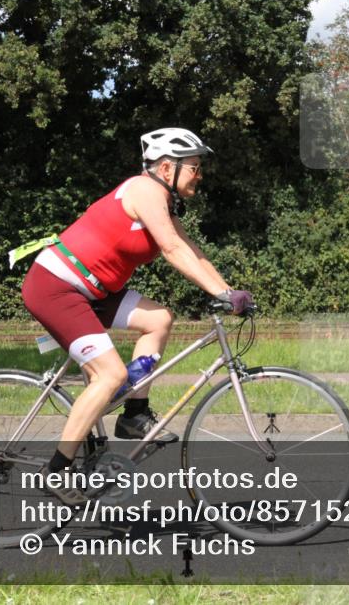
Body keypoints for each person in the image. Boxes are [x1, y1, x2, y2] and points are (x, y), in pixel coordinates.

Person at [18, 128, 253, 505]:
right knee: (109, 374)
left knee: (159, 318)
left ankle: (134, 414)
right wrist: (220, 294)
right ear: (166, 167)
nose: (200, 174)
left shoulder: (162, 199)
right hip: (57, 286)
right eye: (194, 167)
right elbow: (172, 248)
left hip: (93, 290)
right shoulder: (144, 190)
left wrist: (230, 292)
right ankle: (57, 471)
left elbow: (192, 250)